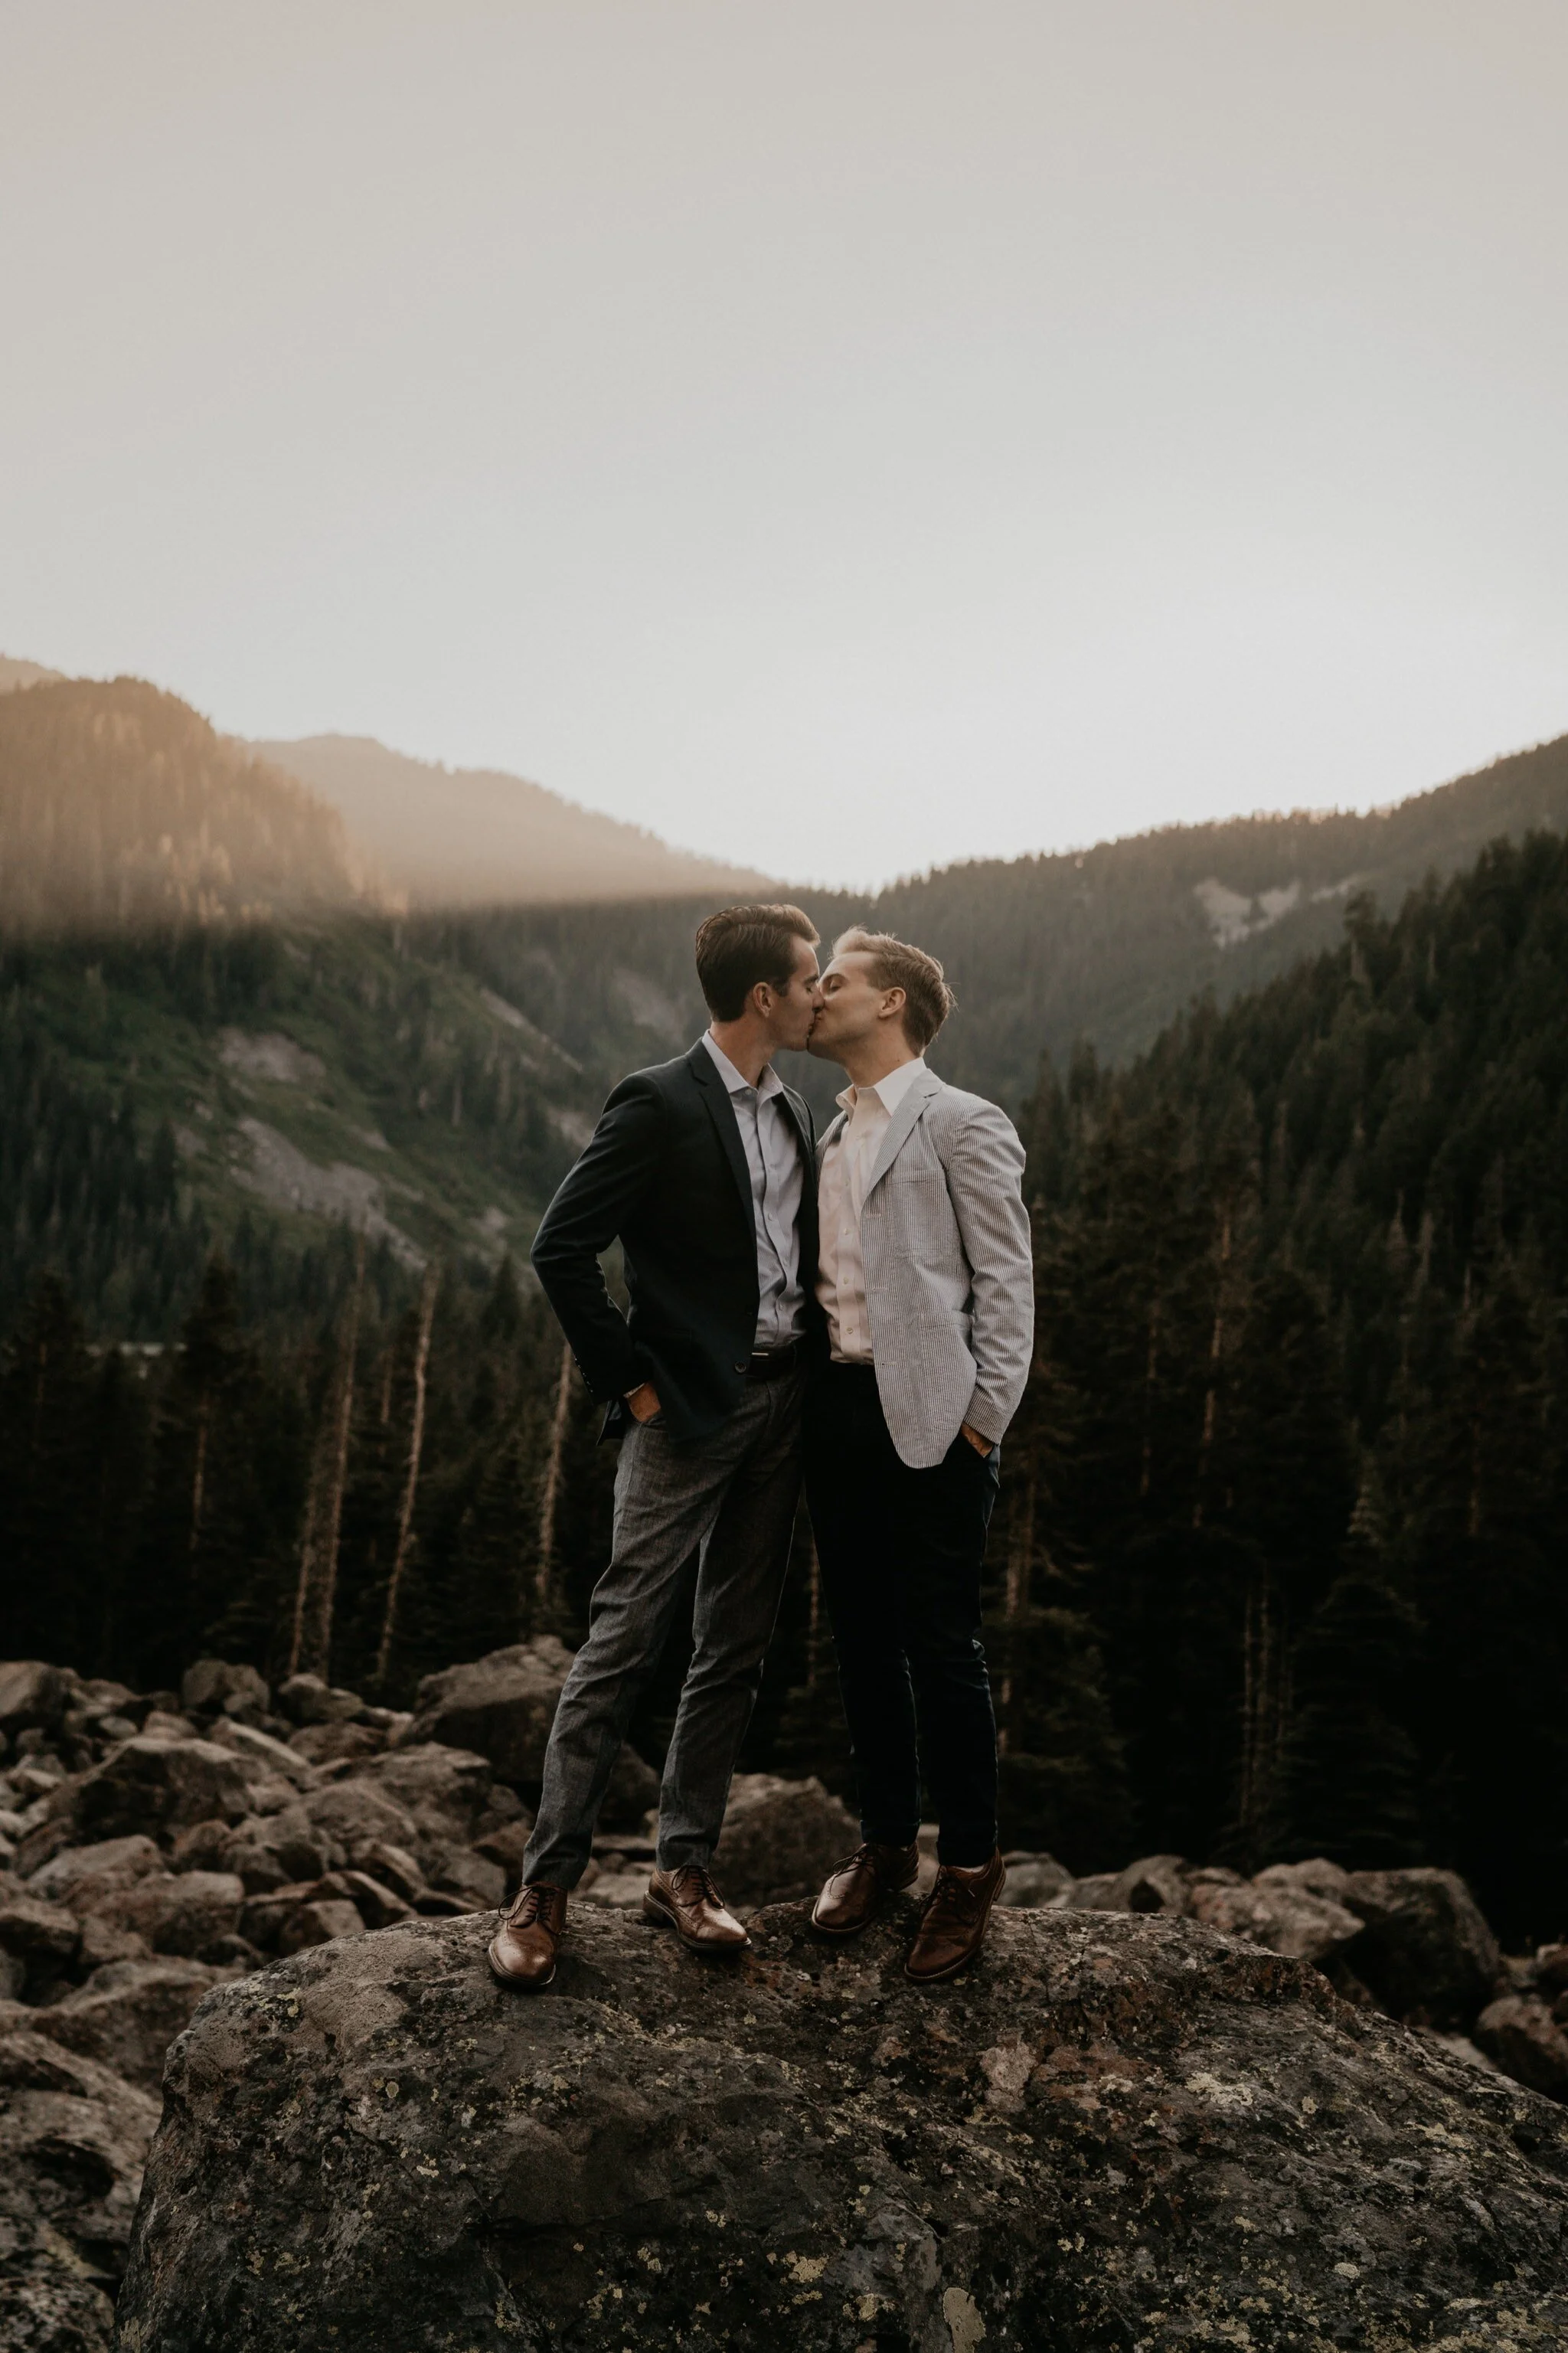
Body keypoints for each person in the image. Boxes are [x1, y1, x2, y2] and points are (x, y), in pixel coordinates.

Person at [488, 903, 822, 1991]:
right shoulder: (658, 1100)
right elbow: (560, 1248)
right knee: (623, 1642)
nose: (821, 994)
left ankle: (685, 1870)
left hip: (781, 1407)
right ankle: (544, 1891)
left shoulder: (791, 1108)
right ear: (764, 996)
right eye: (809, 978)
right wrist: (631, 1382)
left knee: (733, 1646)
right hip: (682, 1413)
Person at [803, 928, 1033, 1982]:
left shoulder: (961, 1122)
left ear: (890, 1002)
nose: (817, 992)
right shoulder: (832, 1133)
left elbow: (1007, 1290)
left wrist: (979, 1425)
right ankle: (889, 1846)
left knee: (942, 1647)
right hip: (840, 1415)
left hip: (939, 1426)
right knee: (860, 1642)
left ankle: (971, 1868)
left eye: (835, 980)